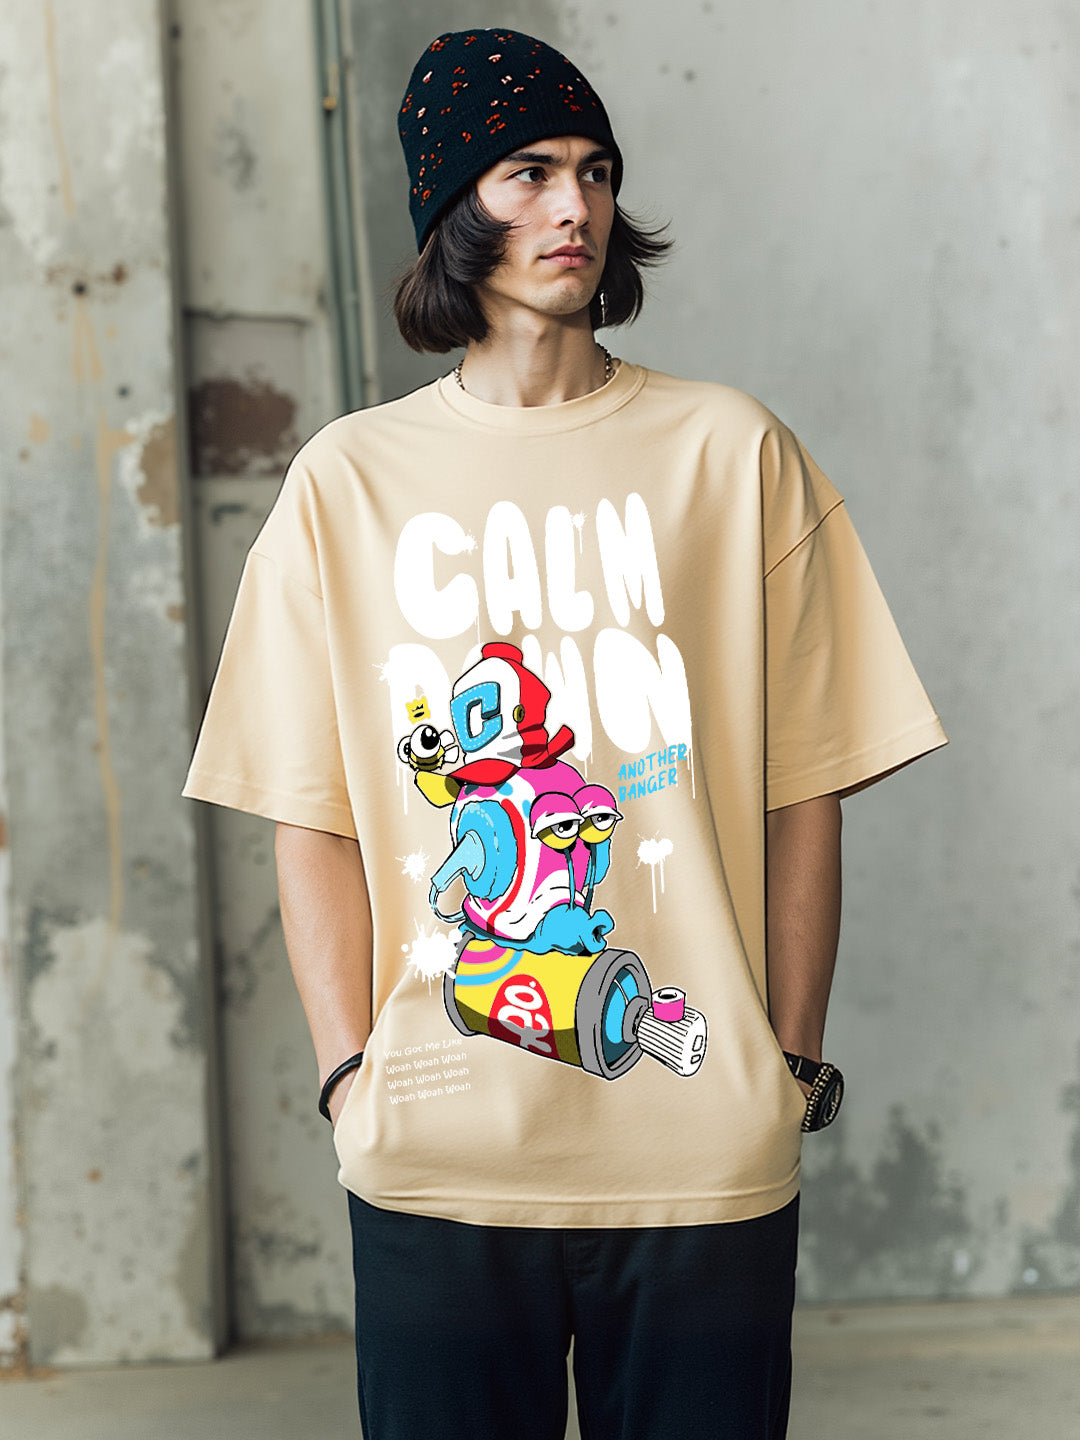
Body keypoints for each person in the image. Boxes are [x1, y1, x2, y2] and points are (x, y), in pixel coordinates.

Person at [182, 26, 947, 1440]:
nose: (575, 205)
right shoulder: (349, 483)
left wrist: (783, 1070)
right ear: (453, 210)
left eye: (594, 171)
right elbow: (313, 817)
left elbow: (806, 797)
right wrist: (352, 1078)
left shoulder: (732, 453)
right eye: (528, 172)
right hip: (438, 1158)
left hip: (701, 1157)